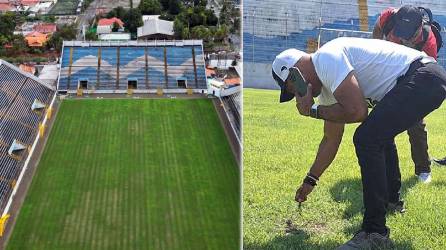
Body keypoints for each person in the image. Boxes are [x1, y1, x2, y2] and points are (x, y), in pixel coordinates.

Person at [272, 37, 446, 249]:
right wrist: (310, 180)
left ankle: (375, 233)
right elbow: (330, 139)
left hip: (423, 77)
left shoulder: (325, 59)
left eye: (291, 88)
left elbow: (357, 111)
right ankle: (390, 202)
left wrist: (312, 111)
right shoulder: (328, 87)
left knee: (367, 138)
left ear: (295, 74)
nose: (296, 95)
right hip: (424, 78)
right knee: (377, 134)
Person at [373, 5, 443, 183]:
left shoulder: (428, 40)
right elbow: (378, 27)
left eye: (408, 35)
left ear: (419, 28)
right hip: (386, 73)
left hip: (414, 77)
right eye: (400, 32)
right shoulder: (389, 16)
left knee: (416, 125)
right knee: (378, 122)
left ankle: (423, 170)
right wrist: (377, 48)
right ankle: (380, 168)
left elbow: (428, 73)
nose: (402, 38)